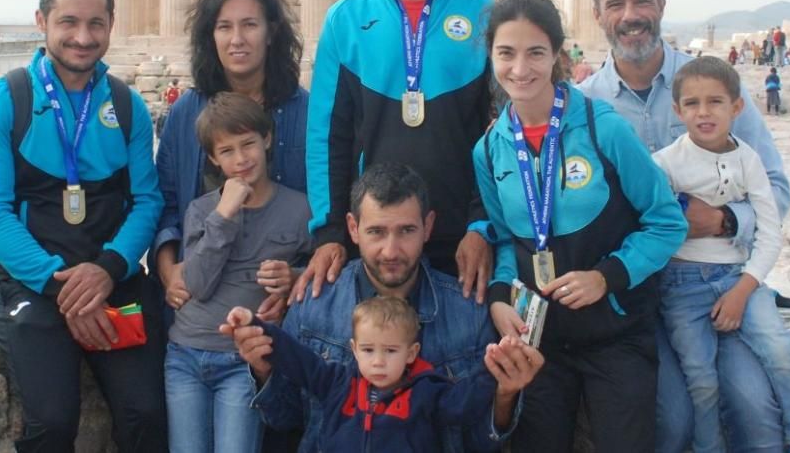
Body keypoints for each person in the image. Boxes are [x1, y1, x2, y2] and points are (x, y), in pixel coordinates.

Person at [578, 0, 790, 452]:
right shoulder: (586, 105)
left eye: (642, 1)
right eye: (616, 4)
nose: (631, 15)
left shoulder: (713, 86)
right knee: (672, 417)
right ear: (598, 15)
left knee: (754, 403)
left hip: (719, 284)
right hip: (637, 296)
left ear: (662, 8)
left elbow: (776, 188)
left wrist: (721, 221)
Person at [0, 0, 167, 451]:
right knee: (52, 423)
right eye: (68, 22)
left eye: (96, 23)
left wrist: (104, 272)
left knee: (147, 415)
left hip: (110, 276)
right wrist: (63, 288)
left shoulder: (127, 105)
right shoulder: (4, 101)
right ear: (42, 21)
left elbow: (147, 200)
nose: (82, 37)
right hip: (29, 282)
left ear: (111, 26)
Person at [474, 0, 686, 451]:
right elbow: (507, 241)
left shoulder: (602, 127)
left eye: (535, 53)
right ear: (491, 55)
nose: (520, 68)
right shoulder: (489, 149)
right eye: (506, 53)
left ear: (557, 55)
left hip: (616, 335)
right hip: (541, 342)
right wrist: (497, 297)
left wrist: (605, 277)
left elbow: (667, 222)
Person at [227, 162, 544, 453]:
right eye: (376, 232)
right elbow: (288, 421)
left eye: (406, 231)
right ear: (353, 228)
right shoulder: (313, 305)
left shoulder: (468, 313)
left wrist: (504, 394)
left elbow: (477, 441)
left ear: (428, 226)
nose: (391, 251)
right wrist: (263, 368)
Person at [297, 0, 493, 305]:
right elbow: (327, 137)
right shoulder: (345, 19)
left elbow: (496, 136)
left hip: (460, 238)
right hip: (375, 240)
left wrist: (482, 227)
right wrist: (329, 232)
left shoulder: (485, 17)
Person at [653, 57, 790, 453]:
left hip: (739, 278)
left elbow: (769, 231)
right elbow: (655, 226)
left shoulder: (749, 160)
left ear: (736, 107)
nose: (703, 113)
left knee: (779, 350)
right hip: (682, 285)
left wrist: (744, 289)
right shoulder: (665, 164)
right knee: (701, 380)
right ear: (677, 111)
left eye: (715, 102)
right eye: (692, 104)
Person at [153, 0, 307, 321]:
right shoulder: (186, 112)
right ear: (211, 36)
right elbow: (165, 202)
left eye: (249, 25)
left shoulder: (307, 113)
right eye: (224, 27)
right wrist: (167, 270)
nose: (237, 39)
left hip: (280, 310)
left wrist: (297, 278)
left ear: (272, 32)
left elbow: (325, 214)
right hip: (198, 306)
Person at [165, 92, 312, 453]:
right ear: (213, 158)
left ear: (267, 139)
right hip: (186, 353)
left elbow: (317, 273)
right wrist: (224, 214)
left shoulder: (299, 208)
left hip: (243, 360)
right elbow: (197, 283)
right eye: (227, 151)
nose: (241, 158)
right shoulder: (203, 210)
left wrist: (293, 275)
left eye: (248, 144)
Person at [224, 296, 523, 452]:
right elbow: (295, 356)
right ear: (353, 349)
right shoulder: (336, 382)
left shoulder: (427, 390)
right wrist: (256, 325)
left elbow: (465, 401)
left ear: (411, 352)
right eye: (368, 350)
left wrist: (495, 365)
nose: (378, 362)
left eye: (390, 351)